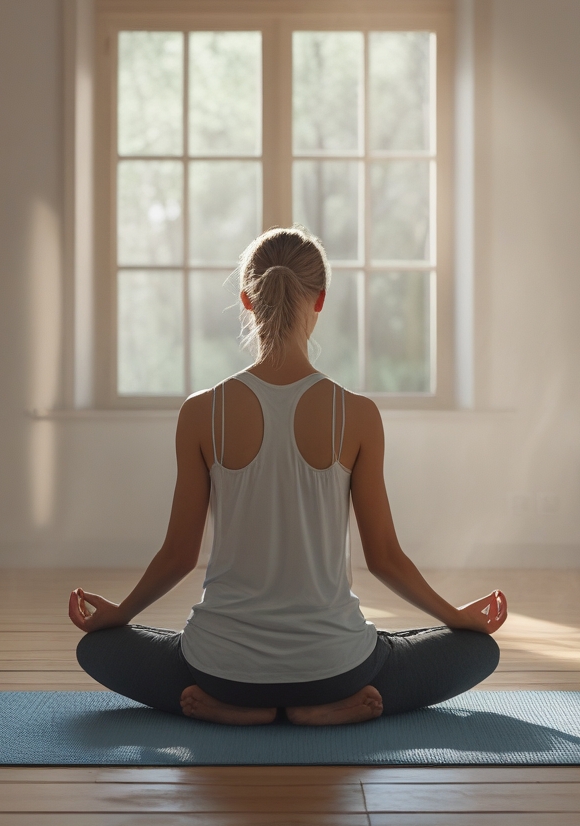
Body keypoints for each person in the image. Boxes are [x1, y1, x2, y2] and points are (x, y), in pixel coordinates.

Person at [69, 227, 506, 726]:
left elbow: (178, 557)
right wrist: (458, 619)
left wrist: (118, 615)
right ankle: (324, 709)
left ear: (245, 301)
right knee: (475, 651)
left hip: (220, 670)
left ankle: (231, 709)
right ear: (320, 301)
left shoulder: (200, 413)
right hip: (336, 669)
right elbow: (384, 559)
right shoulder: (357, 415)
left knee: (100, 649)